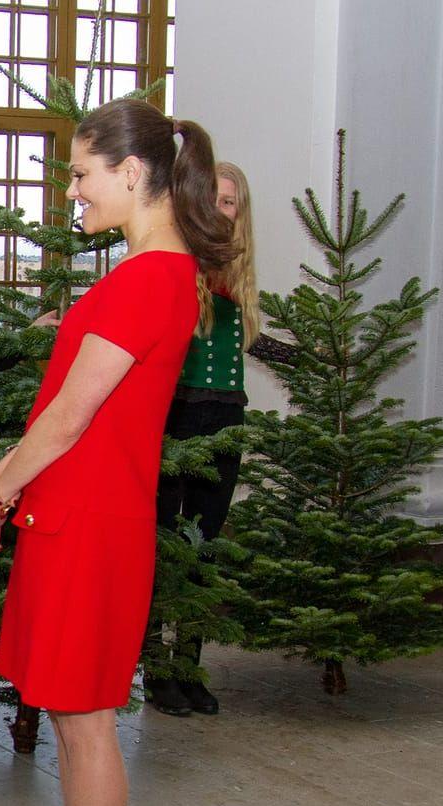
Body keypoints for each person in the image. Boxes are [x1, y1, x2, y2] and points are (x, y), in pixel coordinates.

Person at [0, 98, 237, 806]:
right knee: (75, 721)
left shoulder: (148, 278)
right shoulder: (153, 276)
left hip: (91, 528)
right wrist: (14, 492)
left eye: (83, 173)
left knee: (86, 730)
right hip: (77, 519)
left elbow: (70, 416)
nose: (74, 190)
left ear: (133, 174)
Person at [146, 161, 296, 716]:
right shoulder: (176, 265)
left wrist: (307, 357)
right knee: (165, 544)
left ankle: (188, 664)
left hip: (228, 417)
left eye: (230, 201)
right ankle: (156, 672)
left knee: (203, 546)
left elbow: (251, 341)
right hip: (177, 418)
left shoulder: (238, 276)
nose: (220, 208)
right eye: (212, 199)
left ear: (239, 211)